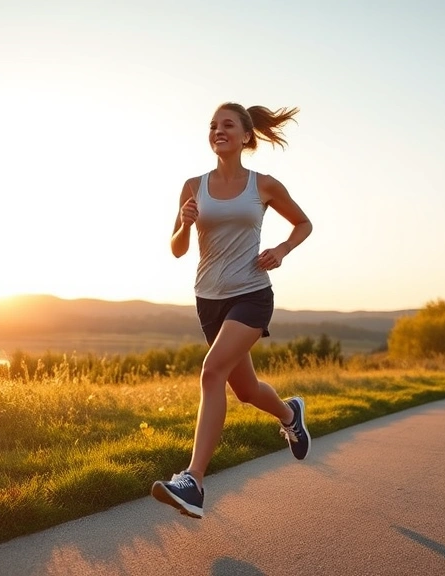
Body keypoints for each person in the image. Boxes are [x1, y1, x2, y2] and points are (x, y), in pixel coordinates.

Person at [150, 103, 313, 519]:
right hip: (209, 299)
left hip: (252, 294)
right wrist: (184, 224)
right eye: (212, 126)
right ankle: (289, 413)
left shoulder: (264, 185)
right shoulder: (192, 186)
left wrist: (281, 249)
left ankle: (193, 481)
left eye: (227, 125)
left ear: (245, 136)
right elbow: (177, 249)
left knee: (211, 372)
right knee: (244, 391)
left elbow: (303, 224)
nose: (218, 131)